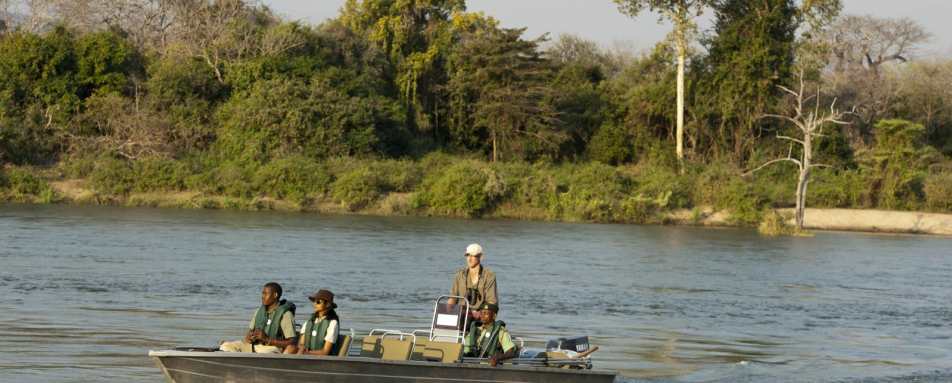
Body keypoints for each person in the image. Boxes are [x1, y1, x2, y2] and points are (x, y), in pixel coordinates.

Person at [219, 282, 297, 353]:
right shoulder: (259, 311)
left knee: (263, 352)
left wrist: (266, 339)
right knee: (226, 346)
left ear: (275, 295)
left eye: (266, 294)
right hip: (253, 346)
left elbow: (292, 342)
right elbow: (248, 335)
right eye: (262, 293)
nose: (262, 296)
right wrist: (249, 337)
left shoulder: (285, 314)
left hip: (271, 349)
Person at [447, 243, 498, 321]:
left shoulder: (489, 276)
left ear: (481, 257)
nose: (469, 259)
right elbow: (453, 298)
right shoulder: (460, 275)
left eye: (473, 256)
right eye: (467, 255)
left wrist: (479, 313)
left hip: (481, 317)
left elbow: (492, 302)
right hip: (461, 315)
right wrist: (446, 310)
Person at [287, 289, 341, 356]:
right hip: (306, 355)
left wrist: (306, 353)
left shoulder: (332, 323)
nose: (314, 304)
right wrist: (301, 348)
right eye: (314, 301)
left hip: (322, 360)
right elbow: (301, 343)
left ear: (328, 304)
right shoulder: (310, 321)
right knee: (290, 348)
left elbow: (325, 352)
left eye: (318, 302)